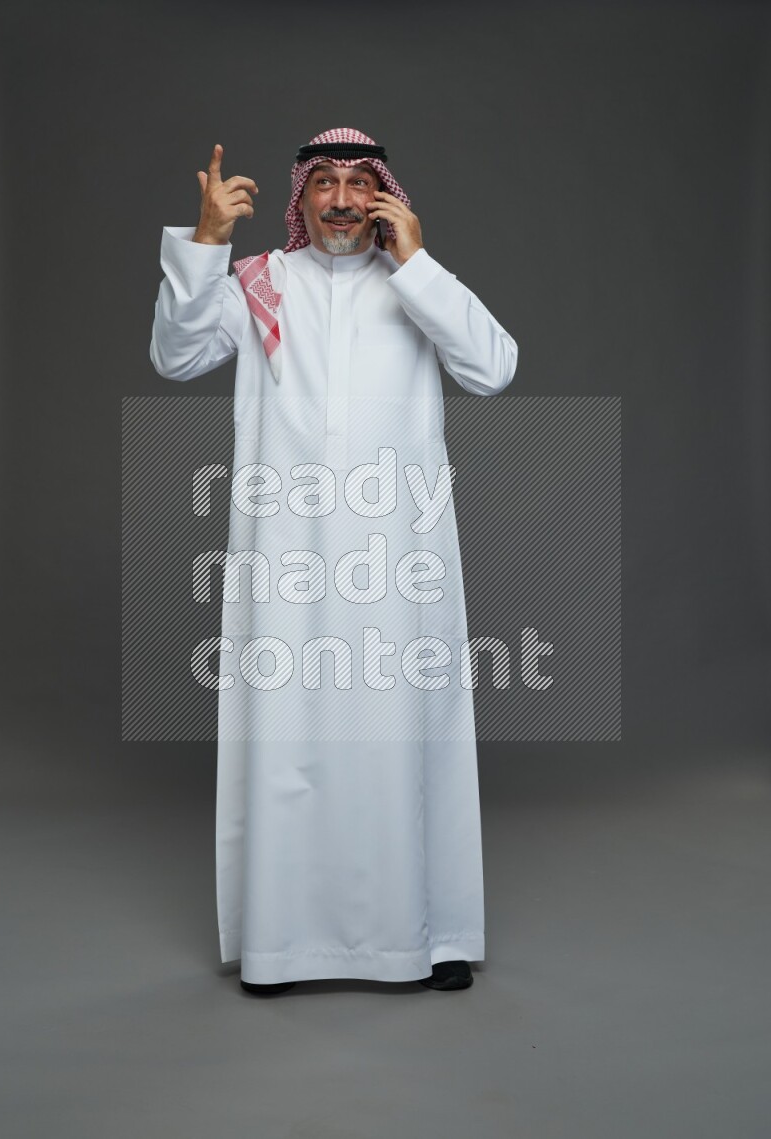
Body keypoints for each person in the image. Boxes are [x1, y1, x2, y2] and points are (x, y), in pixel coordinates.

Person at [150, 127, 518, 995]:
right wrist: (206, 244)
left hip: (399, 563)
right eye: (326, 183)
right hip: (288, 560)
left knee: (406, 738)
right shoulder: (261, 284)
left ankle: (429, 934)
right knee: (289, 742)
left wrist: (420, 265)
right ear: (301, 198)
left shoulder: (415, 288)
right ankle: (286, 944)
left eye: (361, 183)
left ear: (385, 197)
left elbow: (494, 369)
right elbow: (175, 356)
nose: (345, 200)